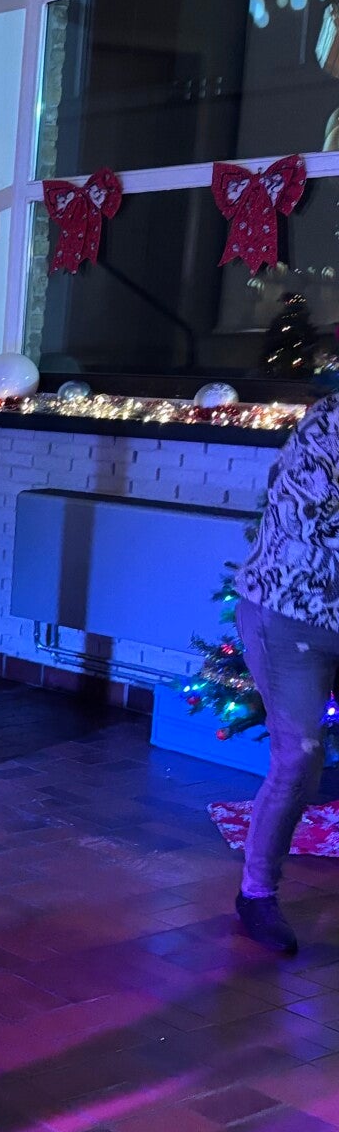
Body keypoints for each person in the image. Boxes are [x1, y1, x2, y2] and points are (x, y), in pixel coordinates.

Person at [228, 391, 339, 955]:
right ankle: (256, 894)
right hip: (290, 613)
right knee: (298, 756)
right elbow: (309, 515)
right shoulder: (328, 423)